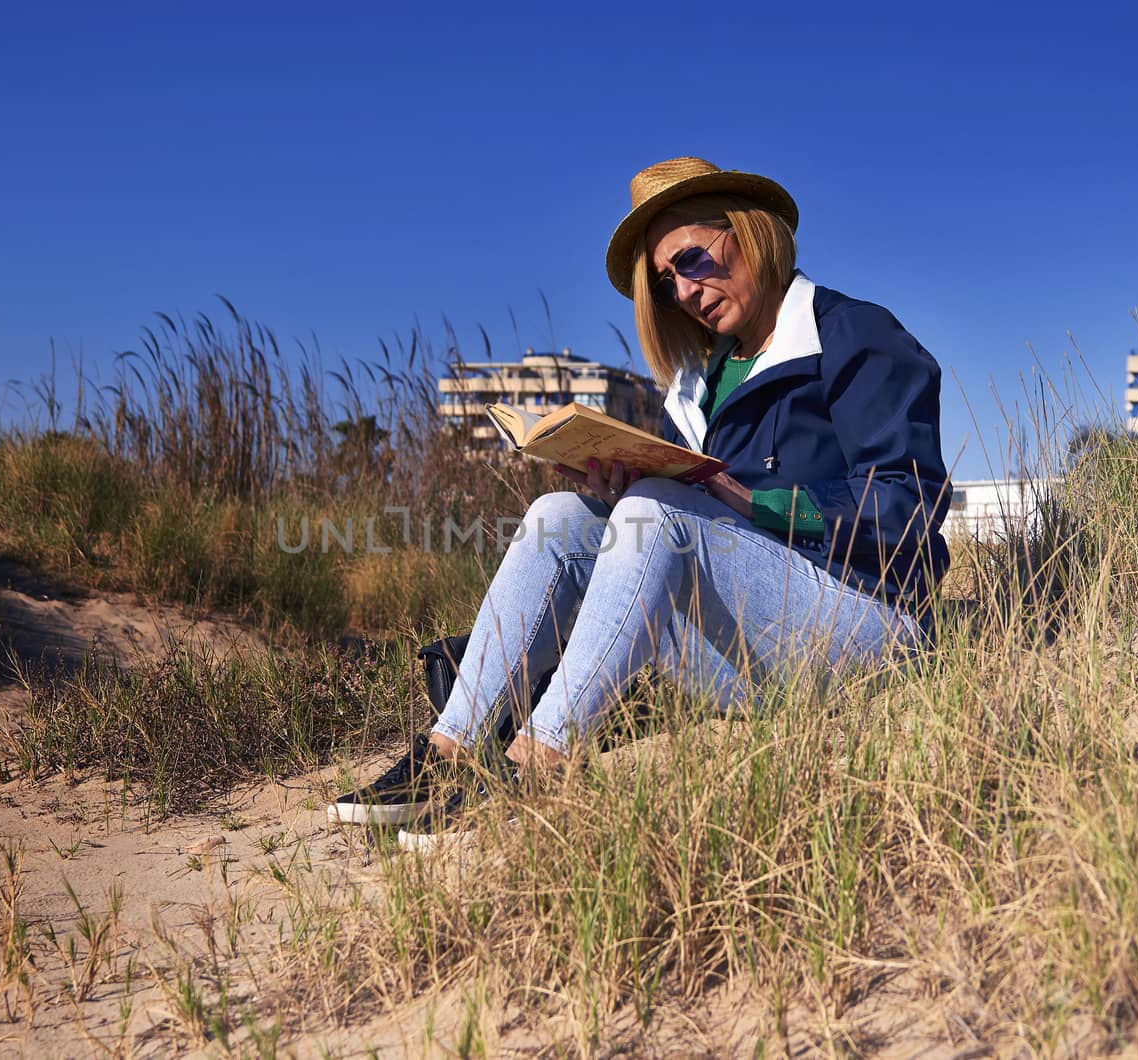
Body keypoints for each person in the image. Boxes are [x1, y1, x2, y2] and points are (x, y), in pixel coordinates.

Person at [328, 156, 952, 848]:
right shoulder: (694, 384)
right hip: (750, 657)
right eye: (666, 282)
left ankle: (537, 762)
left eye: (693, 261)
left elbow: (912, 506)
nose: (684, 291)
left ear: (749, 232)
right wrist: (620, 489)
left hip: (866, 629)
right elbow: (687, 534)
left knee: (656, 512)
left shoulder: (850, 334)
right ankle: (448, 752)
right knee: (557, 520)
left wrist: (756, 501)